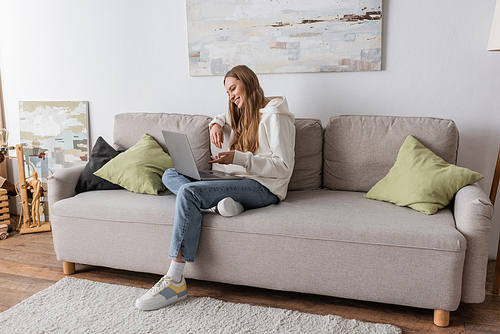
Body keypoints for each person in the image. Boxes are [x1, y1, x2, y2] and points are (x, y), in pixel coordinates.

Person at [135, 65, 296, 311]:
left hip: (263, 188)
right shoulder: (243, 112)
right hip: (237, 183)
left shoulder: (275, 116)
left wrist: (238, 158)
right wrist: (215, 124)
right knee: (170, 173)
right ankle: (214, 206)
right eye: (228, 93)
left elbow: (283, 167)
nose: (231, 96)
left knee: (189, 192)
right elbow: (221, 116)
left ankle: (175, 280)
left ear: (248, 82)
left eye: (233, 89)